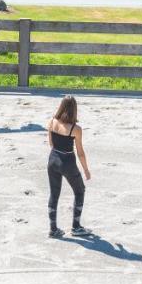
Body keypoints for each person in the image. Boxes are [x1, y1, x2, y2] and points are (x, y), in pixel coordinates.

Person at [46, 95, 91, 238]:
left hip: (53, 160)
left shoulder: (52, 121)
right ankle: (76, 227)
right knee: (79, 190)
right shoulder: (76, 129)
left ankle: (53, 229)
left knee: (54, 194)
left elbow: (51, 144)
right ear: (74, 110)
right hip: (68, 162)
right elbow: (81, 153)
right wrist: (86, 170)